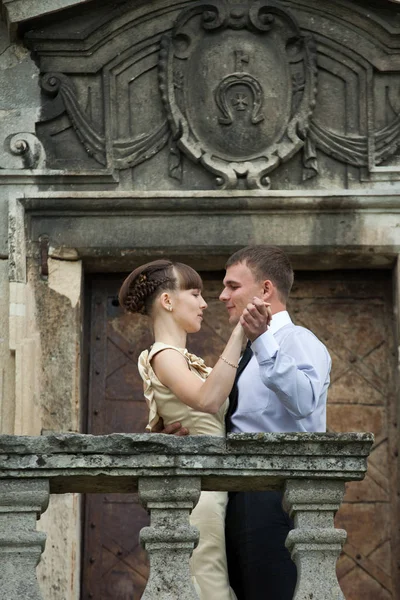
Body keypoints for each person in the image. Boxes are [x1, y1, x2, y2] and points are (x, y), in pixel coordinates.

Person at [155, 245, 332, 600]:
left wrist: (263, 341)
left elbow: (304, 401)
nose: (221, 296)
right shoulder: (243, 352)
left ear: (265, 290)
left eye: (233, 286)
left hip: (275, 498)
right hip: (232, 499)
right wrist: (177, 430)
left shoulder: (300, 341)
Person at [118, 259, 271, 600]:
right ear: (168, 301)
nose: (204, 304)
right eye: (196, 293)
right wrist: (239, 333)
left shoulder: (182, 359)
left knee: (210, 578)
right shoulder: (164, 354)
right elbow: (207, 401)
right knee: (209, 584)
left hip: (213, 489)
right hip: (199, 495)